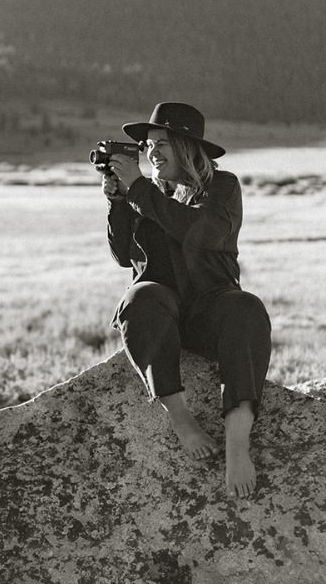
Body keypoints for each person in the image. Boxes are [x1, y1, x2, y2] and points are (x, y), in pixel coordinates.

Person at [102, 101, 271, 498]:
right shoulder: (146, 194)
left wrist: (139, 189)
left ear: (188, 148)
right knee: (140, 296)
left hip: (211, 308)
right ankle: (181, 418)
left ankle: (237, 441)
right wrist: (116, 202)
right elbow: (124, 254)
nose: (152, 152)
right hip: (162, 313)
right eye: (148, 145)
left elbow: (200, 233)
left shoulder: (222, 187)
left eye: (163, 143)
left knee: (248, 309)